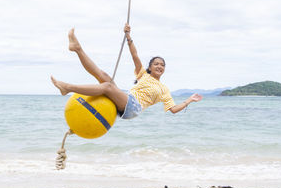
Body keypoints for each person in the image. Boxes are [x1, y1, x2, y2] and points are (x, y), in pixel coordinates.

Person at [51, 24, 202, 119]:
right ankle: (77, 49)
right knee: (104, 76)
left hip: (133, 108)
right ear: (150, 67)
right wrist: (128, 36)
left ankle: (67, 88)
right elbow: (134, 55)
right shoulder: (143, 74)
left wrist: (189, 100)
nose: (159, 66)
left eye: (162, 65)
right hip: (126, 96)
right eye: (156, 64)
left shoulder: (164, 89)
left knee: (108, 87)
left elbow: (173, 109)